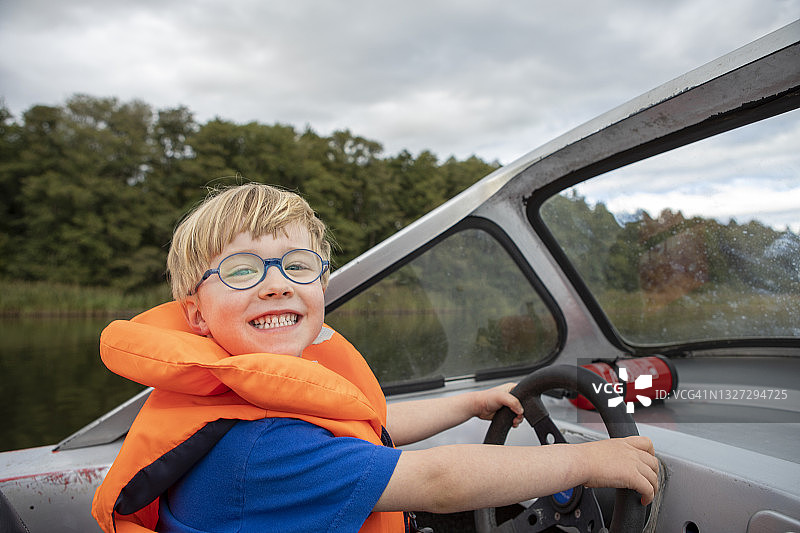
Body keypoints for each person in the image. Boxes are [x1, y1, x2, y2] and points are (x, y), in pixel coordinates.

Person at [92, 183, 658, 533]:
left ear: (320, 284)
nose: (275, 286)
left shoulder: (244, 401)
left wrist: (467, 404)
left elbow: (371, 422)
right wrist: (590, 463)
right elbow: (436, 480)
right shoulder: (260, 450)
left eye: (297, 265)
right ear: (195, 316)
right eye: (242, 271)